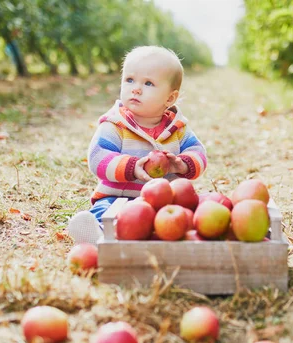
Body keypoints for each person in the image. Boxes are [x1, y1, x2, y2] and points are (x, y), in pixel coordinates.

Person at [67, 46, 207, 244]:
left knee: (182, 218)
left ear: (170, 98)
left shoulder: (178, 129)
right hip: (119, 198)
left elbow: (199, 153)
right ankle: (98, 234)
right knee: (105, 212)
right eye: (129, 80)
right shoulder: (115, 125)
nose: (136, 88)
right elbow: (97, 158)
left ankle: (160, 239)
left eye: (148, 83)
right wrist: (132, 167)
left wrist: (182, 164)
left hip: (162, 204)